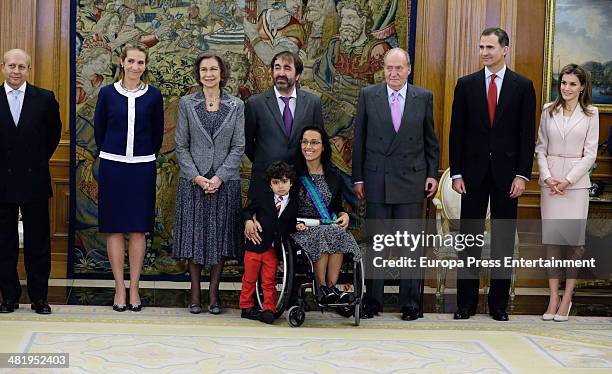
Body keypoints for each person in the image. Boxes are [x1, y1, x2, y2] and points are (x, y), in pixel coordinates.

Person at [449, 27, 536, 321]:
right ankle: (466, 305)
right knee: (470, 240)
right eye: (481, 47)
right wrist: (457, 173)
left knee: (502, 240)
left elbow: (527, 136)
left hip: (508, 176)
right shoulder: (466, 85)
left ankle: (498, 305)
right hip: (472, 175)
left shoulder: (523, 86)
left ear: (505, 49)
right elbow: (456, 133)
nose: (484, 52)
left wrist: (523, 175)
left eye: (490, 47)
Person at [352, 47, 439, 321]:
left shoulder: (423, 97)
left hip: (412, 181)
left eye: (399, 68)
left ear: (408, 69)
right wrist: (358, 177)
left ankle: (410, 303)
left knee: (409, 246)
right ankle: (372, 301)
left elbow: (430, 142)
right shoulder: (368, 95)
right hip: (376, 179)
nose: (393, 73)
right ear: (384, 70)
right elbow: (360, 139)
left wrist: (432, 174)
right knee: (376, 243)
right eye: (389, 68)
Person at [173, 51, 245, 315]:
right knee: (195, 239)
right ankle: (195, 293)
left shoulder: (237, 105)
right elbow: (180, 145)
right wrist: (197, 177)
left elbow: (239, 146)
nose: (209, 74)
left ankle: (214, 293)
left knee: (220, 239)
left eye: (213, 69)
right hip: (194, 183)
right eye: (204, 70)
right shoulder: (186, 103)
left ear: (222, 73)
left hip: (224, 184)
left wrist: (218, 178)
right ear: (198, 74)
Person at [94, 43, 164, 312]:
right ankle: (119, 287)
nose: (135, 67)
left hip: (142, 167)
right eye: (131, 61)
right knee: (114, 228)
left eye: (141, 63)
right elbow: (100, 131)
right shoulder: (107, 94)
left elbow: (157, 134)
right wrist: (113, 153)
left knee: (137, 228)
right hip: (113, 167)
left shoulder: (154, 96)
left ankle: (134, 287)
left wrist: (142, 155)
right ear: (122, 62)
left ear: (145, 66)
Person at [0, 49, 62, 315]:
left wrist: (35, 161)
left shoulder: (45, 99)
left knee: (39, 244)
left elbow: (53, 135)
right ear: (3, 67)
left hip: (35, 180)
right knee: (4, 244)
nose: (16, 71)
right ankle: (9, 297)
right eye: (11, 66)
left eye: (21, 66)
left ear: (29, 69)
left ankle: (39, 298)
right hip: (1, 182)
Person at [535, 64, 598, 322]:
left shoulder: (591, 113)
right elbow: (540, 147)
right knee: (552, 242)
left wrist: (568, 180)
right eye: (563, 83)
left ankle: (567, 297)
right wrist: (548, 177)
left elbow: (591, 153)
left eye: (573, 84)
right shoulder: (548, 110)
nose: (567, 88)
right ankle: (553, 298)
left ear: (582, 86)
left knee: (574, 243)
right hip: (550, 184)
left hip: (576, 185)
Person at [290, 126, 361, 306]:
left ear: (323, 147)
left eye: (314, 142)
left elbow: (336, 207)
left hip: (326, 225)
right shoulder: (292, 174)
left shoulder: (333, 176)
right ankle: (321, 288)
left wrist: (343, 214)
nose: (309, 147)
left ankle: (331, 288)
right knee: (323, 234)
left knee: (337, 233)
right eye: (305, 142)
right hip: (300, 228)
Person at [244, 51, 323, 198]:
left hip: (301, 181)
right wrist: (268, 160)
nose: (281, 73)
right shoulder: (255, 104)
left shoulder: (313, 103)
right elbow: (247, 142)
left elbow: (318, 140)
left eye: (287, 68)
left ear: (298, 75)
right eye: (277, 67)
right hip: (265, 180)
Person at [241, 161, 302, 324]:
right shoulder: (263, 197)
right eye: (276, 182)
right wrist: (249, 221)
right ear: (270, 183)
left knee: (269, 280)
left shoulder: (294, 204)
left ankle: (269, 308)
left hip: (273, 248)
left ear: (291, 182)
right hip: (255, 245)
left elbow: (289, 225)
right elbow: (247, 210)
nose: (280, 186)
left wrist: (298, 226)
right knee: (249, 277)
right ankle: (246, 306)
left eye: (284, 182)